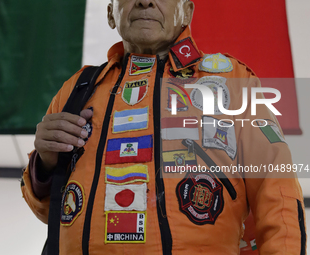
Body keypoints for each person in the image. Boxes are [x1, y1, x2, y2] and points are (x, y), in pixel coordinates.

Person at [21, 0, 306, 254]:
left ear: (187, 12)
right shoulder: (77, 90)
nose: (145, 2)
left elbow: (277, 193)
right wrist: (44, 166)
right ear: (111, 14)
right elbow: (52, 210)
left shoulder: (232, 81)